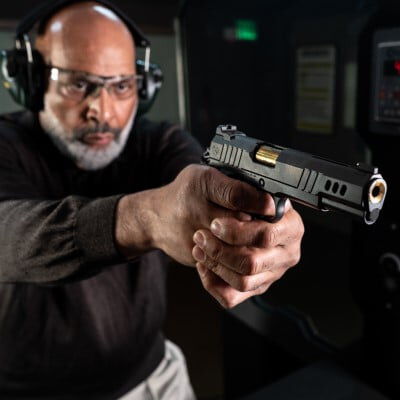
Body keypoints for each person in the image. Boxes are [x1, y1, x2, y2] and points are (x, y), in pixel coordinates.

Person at [0, 1, 304, 399]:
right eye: (77, 84)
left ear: (142, 88)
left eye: (122, 86)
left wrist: (253, 229)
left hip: (153, 372)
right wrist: (144, 217)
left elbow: (199, 186)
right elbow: (9, 234)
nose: (103, 111)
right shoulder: (7, 145)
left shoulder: (158, 141)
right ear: (29, 80)